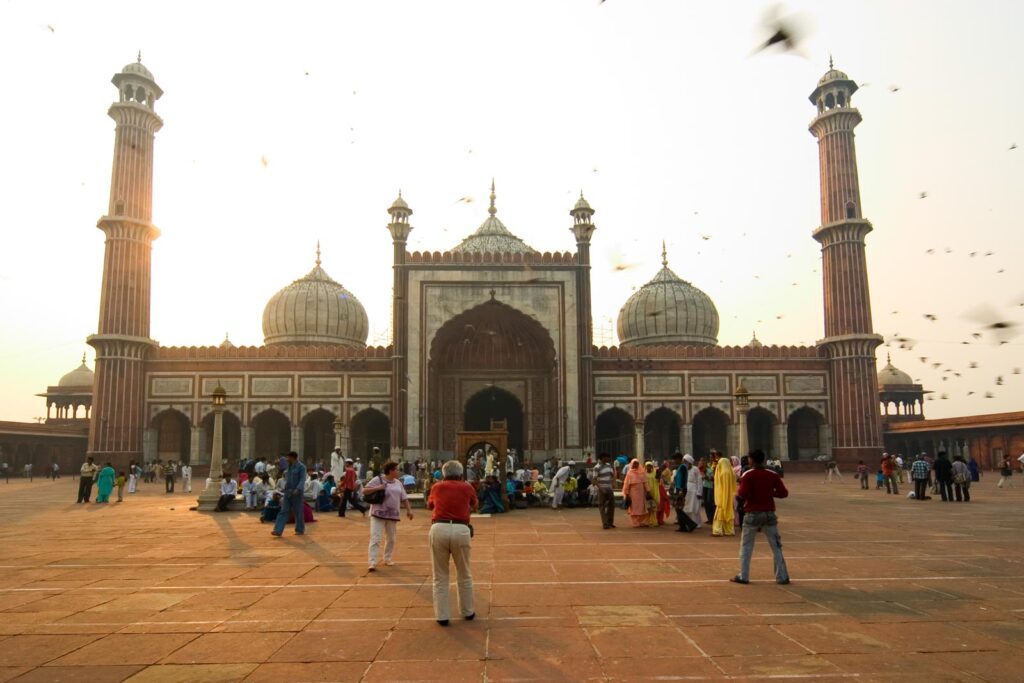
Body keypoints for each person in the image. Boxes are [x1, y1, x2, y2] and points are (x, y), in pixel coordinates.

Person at [427, 459, 479, 626]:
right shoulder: (467, 487)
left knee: (440, 575)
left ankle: (442, 616)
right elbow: (475, 505)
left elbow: (430, 505)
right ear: (460, 473)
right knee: (464, 572)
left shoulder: (437, 487)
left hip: (439, 528)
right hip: (460, 528)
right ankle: (468, 611)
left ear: (443, 474)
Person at [731, 449, 790, 585]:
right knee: (776, 546)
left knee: (746, 546)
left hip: (752, 513)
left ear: (751, 460)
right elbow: (783, 493)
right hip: (769, 513)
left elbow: (742, 494)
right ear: (763, 459)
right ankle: (782, 576)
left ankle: (744, 575)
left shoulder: (748, 475)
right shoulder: (772, 474)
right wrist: (769, 493)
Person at [364, 461, 414, 571]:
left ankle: (387, 558)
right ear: (391, 471)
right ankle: (372, 562)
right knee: (376, 538)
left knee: (391, 538)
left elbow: (404, 498)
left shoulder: (398, 483)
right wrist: (378, 488)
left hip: (392, 514)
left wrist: (409, 510)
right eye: (396, 469)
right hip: (378, 513)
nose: (398, 472)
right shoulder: (378, 479)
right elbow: (365, 491)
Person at [272, 451, 307, 536]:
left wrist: (298, 489)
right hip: (288, 492)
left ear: (292, 458)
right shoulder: (289, 467)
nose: (287, 459)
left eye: (288, 457)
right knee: (283, 511)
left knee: (298, 512)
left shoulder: (301, 467)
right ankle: (278, 530)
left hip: (297, 493)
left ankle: (300, 529)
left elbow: (302, 480)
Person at [712, 452, 737, 536]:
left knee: (720, 512)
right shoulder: (730, 472)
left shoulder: (724, 473)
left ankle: (717, 530)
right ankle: (729, 530)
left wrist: (722, 497)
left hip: (722, 496)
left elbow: (722, 486)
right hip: (728, 496)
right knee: (729, 512)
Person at [621, 459, 650, 528]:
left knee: (642, 507)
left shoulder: (642, 472)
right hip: (633, 493)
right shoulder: (629, 473)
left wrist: (648, 490)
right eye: (634, 464)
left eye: (637, 463)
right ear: (631, 464)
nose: (635, 465)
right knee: (634, 508)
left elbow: (645, 482)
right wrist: (626, 493)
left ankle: (642, 522)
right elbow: (626, 484)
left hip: (641, 492)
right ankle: (635, 522)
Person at [594, 453, 616, 529]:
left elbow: (613, 475)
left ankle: (610, 522)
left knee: (611, 505)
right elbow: (594, 480)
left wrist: (613, 483)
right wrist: (601, 488)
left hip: (609, 488)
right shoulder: (597, 467)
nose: (609, 459)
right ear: (603, 458)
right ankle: (605, 523)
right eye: (607, 457)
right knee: (602, 506)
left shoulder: (609, 465)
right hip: (602, 489)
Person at [683, 455, 703, 529]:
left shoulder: (695, 469)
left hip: (694, 491)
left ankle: (696, 523)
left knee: (694, 507)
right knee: (686, 507)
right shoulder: (684, 469)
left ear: (689, 462)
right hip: (686, 491)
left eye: (685, 462)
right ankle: (688, 522)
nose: (684, 463)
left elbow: (699, 481)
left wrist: (699, 492)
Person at [702, 453, 717, 524]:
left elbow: (715, 476)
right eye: (710, 457)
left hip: (711, 486)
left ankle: (712, 518)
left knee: (710, 502)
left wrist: (709, 478)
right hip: (705, 485)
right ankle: (709, 518)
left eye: (712, 457)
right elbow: (703, 472)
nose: (711, 459)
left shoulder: (716, 465)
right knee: (705, 502)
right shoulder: (707, 465)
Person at [644, 462, 660, 527]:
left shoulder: (655, 473)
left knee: (654, 507)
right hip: (647, 492)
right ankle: (648, 521)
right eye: (647, 466)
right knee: (648, 508)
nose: (649, 467)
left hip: (654, 491)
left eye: (650, 466)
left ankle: (654, 521)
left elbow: (658, 481)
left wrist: (658, 476)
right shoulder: (644, 474)